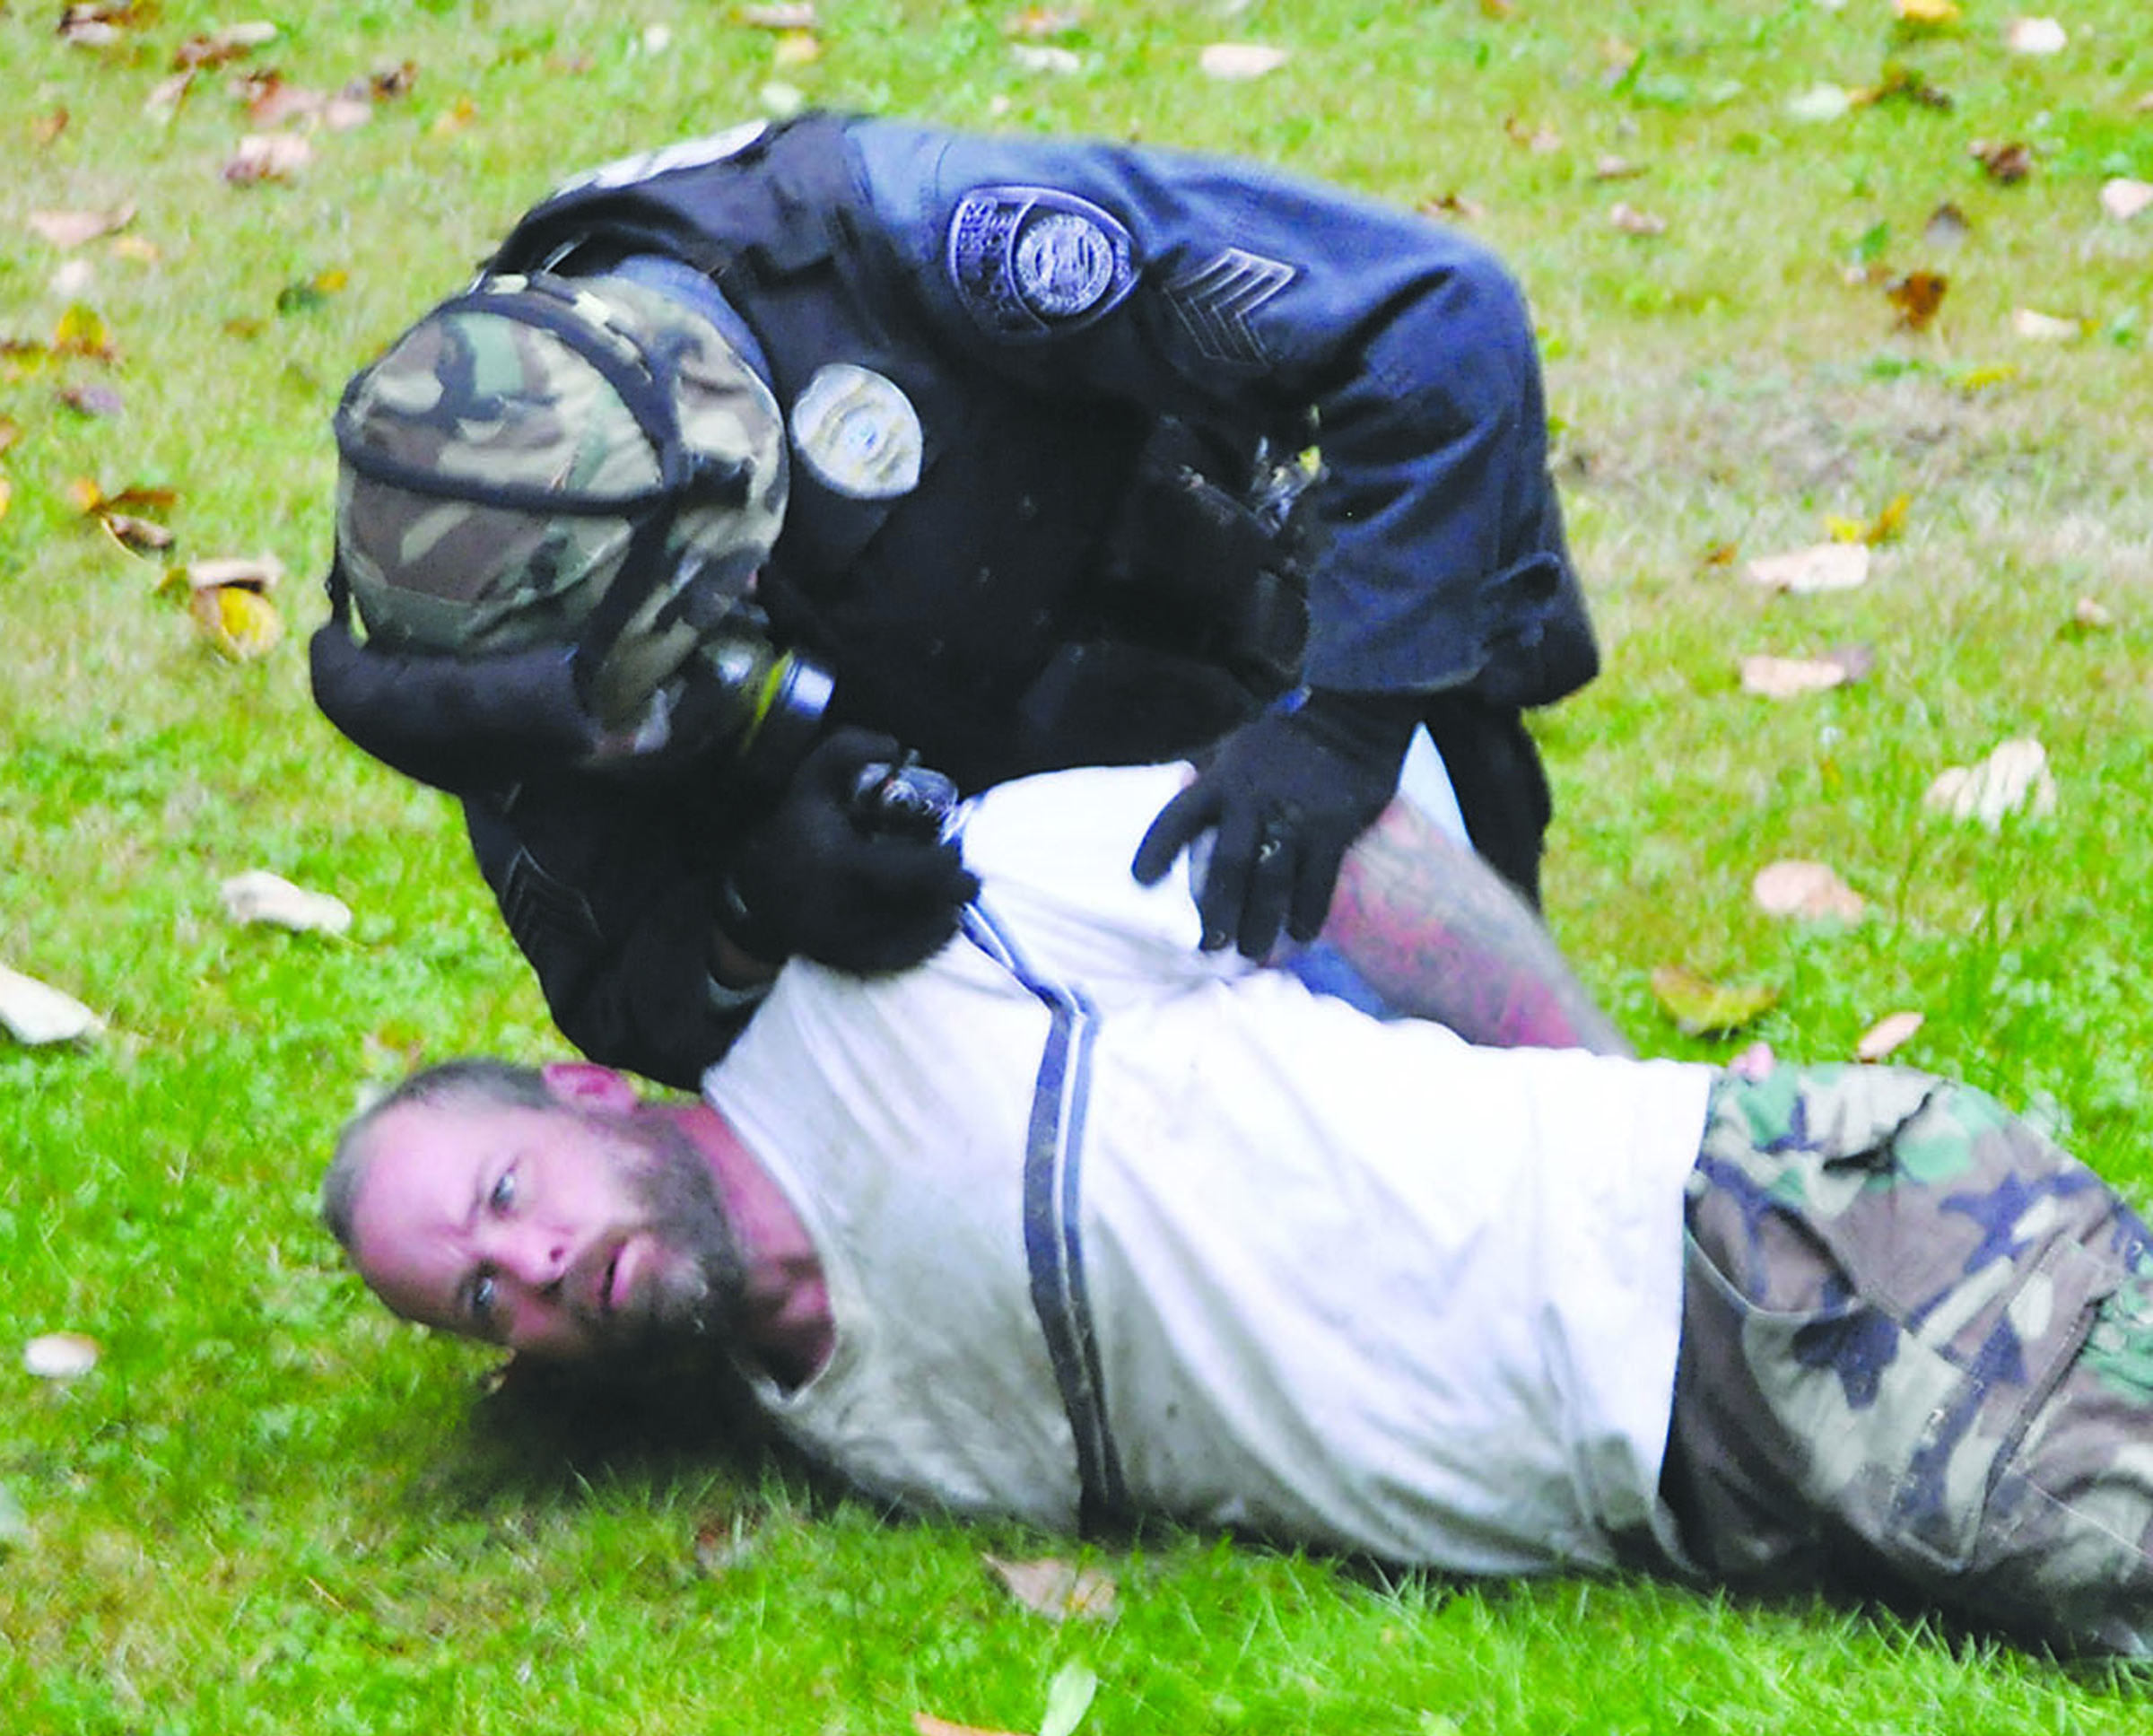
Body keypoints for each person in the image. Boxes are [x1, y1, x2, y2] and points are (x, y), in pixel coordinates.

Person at [325, 756, 2153, 1658]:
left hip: (1754, 1260)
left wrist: (1610, 1102)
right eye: (483, 1295)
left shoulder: (902, 958)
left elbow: (1349, 859)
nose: (534, 1263)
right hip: (1689, 1488)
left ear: (586, 1093)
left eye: (503, 1198)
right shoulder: (827, 1426)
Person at [310, 110, 1598, 1089]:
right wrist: (762, 909)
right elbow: (628, 991)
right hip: (988, 976)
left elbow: (1436, 317)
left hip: (1261, 726)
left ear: (741, 521)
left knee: (1490, 1105)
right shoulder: (479, 602)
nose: (633, 746)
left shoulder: (916, 242)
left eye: (689, 659)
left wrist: (1345, 726)